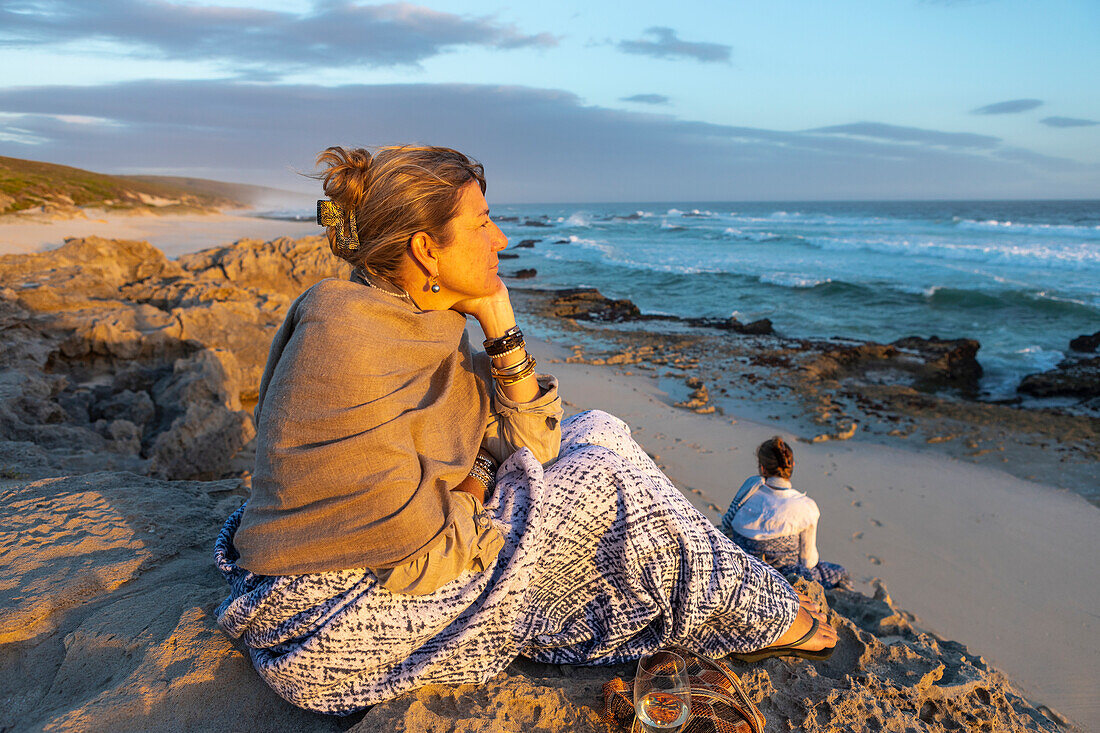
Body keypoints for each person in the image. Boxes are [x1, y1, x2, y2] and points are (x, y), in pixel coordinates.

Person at [214, 145, 836, 715]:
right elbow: (419, 554)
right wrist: (482, 479)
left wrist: (500, 328)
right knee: (602, 482)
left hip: (386, 572)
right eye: (482, 223)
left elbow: (539, 443)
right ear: (427, 250)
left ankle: (743, 591)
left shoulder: (419, 323)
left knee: (600, 430)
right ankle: (768, 610)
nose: (502, 238)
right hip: (327, 624)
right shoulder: (346, 340)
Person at [721, 437, 851, 589]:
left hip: (743, 566)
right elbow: (808, 561)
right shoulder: (806, 507)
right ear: (792, 465)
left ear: (762, 469)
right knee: (841, 573)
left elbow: (727, 526)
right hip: (784, 577)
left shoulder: (748, 491)